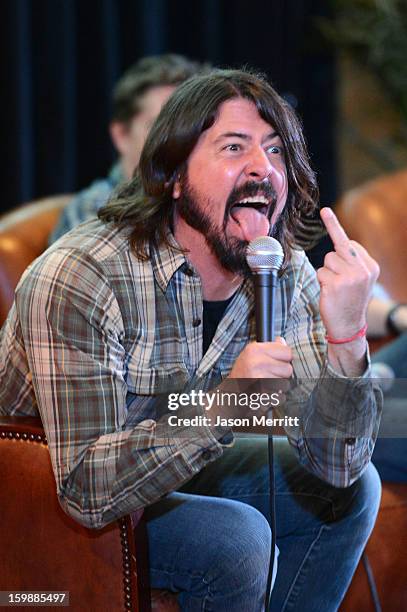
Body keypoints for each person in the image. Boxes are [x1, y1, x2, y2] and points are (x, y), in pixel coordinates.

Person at [0, 68, 382, 611]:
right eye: (234, 147)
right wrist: (227, 405)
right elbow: (85, 487)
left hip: (171, 458)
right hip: (41, 490)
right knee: (236, 539)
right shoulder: (84, 275)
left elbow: (337, 464)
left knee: (354, 491)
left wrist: (348, 339)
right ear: (175, 177)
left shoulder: (284, 272)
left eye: (276, 151)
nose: (262, 168)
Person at [49, 53, 208, 244]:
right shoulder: (93, 210)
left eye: (186, 128)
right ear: (121, 136)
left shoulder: (204, 200)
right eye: (158, 127)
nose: (176, 140)